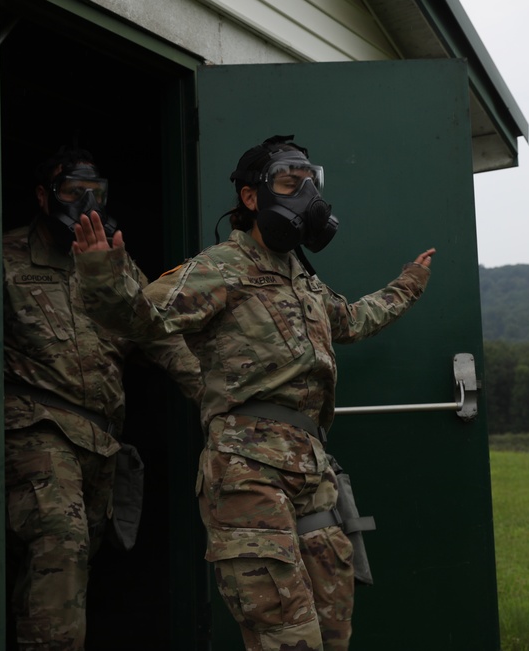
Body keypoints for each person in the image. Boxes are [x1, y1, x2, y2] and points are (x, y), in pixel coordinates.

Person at [71, 135, 435, 651]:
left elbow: (351, 320)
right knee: (288, 636)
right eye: (291, 182)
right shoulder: (221, 266)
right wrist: (100, 275)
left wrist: (408, 284)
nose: (306, 193)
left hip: (312, 466)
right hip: (249, 468)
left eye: (310, 181)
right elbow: (141, 320)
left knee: (334, 629)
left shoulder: (302, 278)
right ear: (251, 197)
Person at [2, 146, 201, 650]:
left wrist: (216, 396)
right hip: (38, 428)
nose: (87, 202)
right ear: (45, 197)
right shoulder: (4, 257)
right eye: (73, 192)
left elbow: (157, 336)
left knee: (73, 568)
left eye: (98, 193)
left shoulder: (117, 266)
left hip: (101, 441)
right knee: (61, 547)